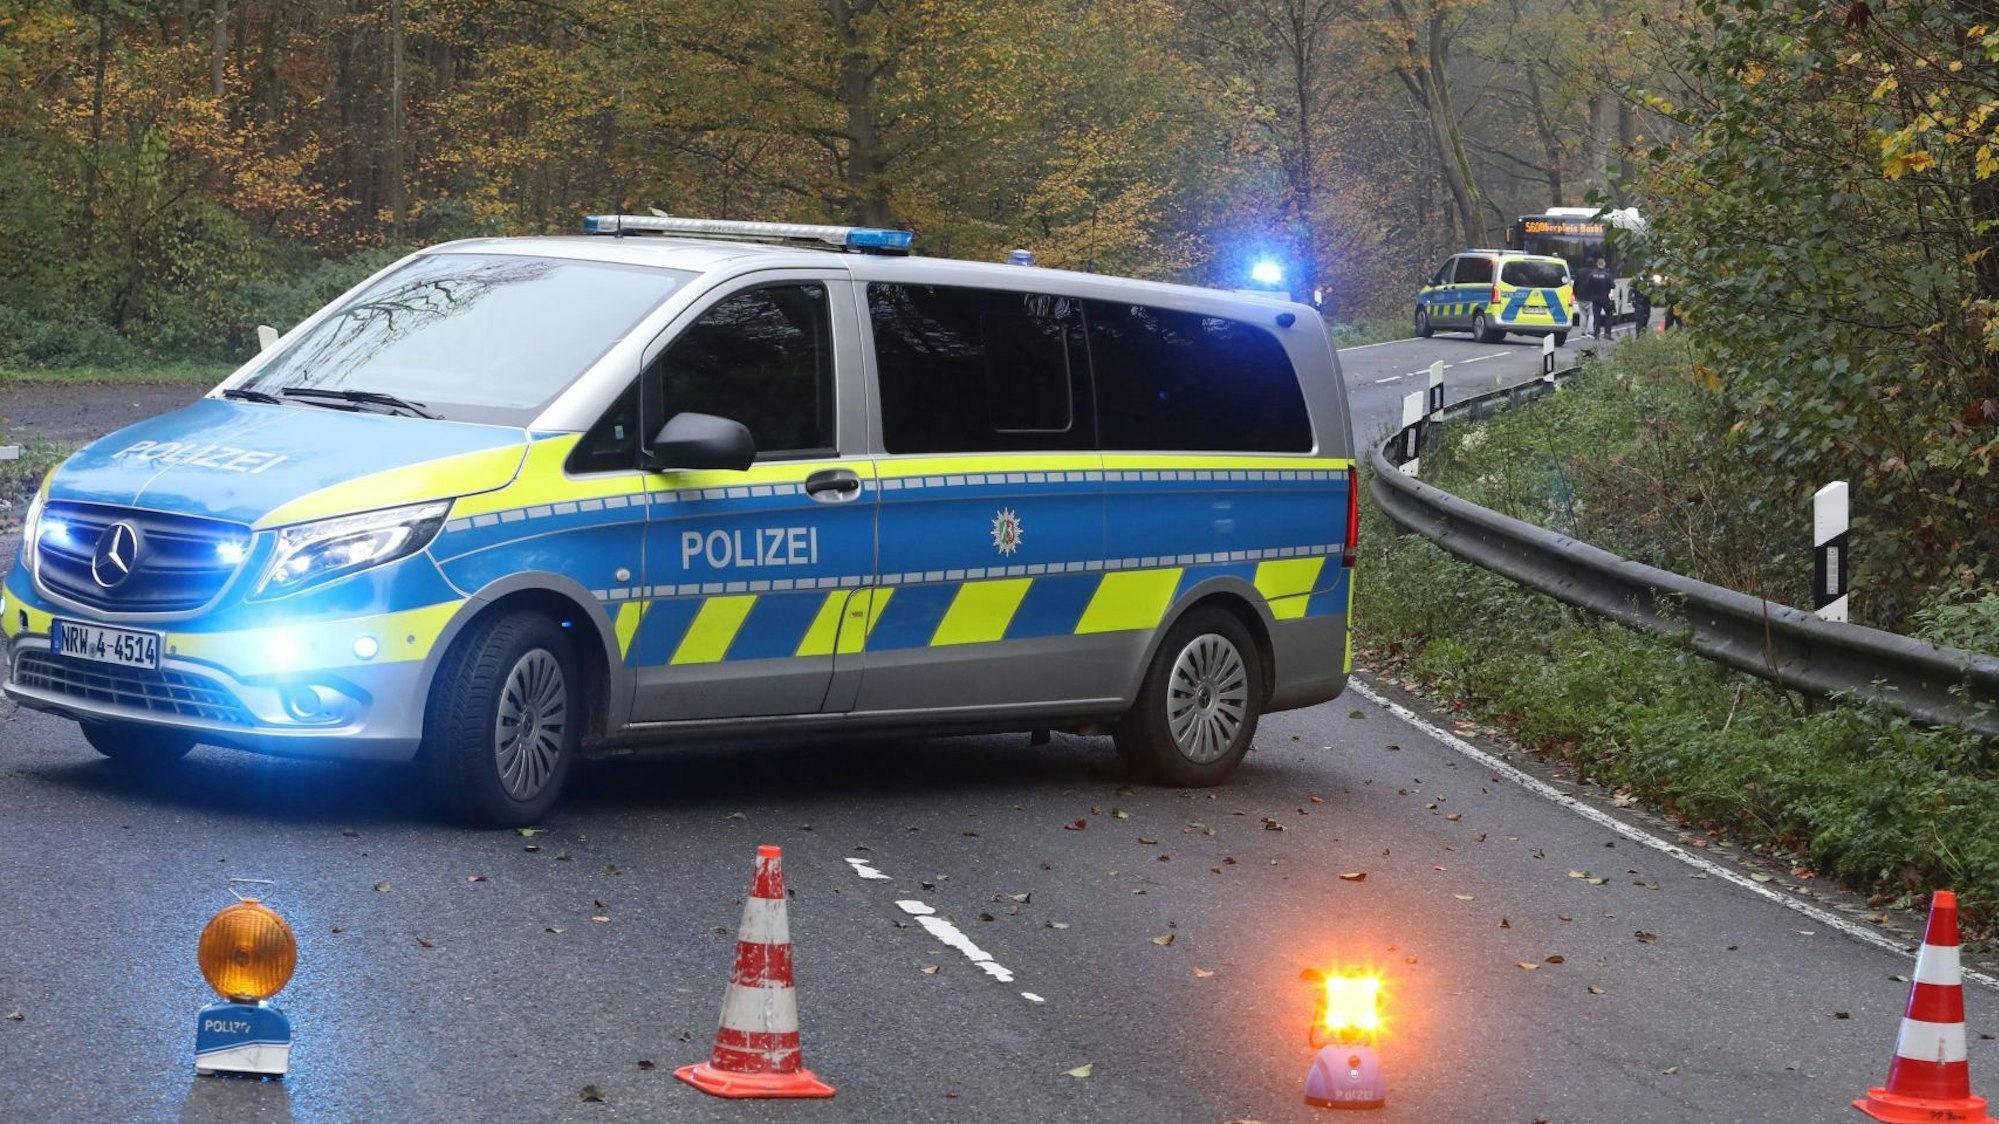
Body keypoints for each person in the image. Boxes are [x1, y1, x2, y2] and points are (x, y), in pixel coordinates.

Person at [1576, 256, 1616, 340]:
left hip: (1594, 299)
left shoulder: (1592, 275)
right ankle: (1607, 334)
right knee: (1609, 315)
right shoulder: (1607, 275)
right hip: (1605, 298)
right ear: (1604, 264)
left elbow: (1587, 285)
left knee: (1596, 316)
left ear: (1597, 264)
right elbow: (1613, 286)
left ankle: (1596, 334)